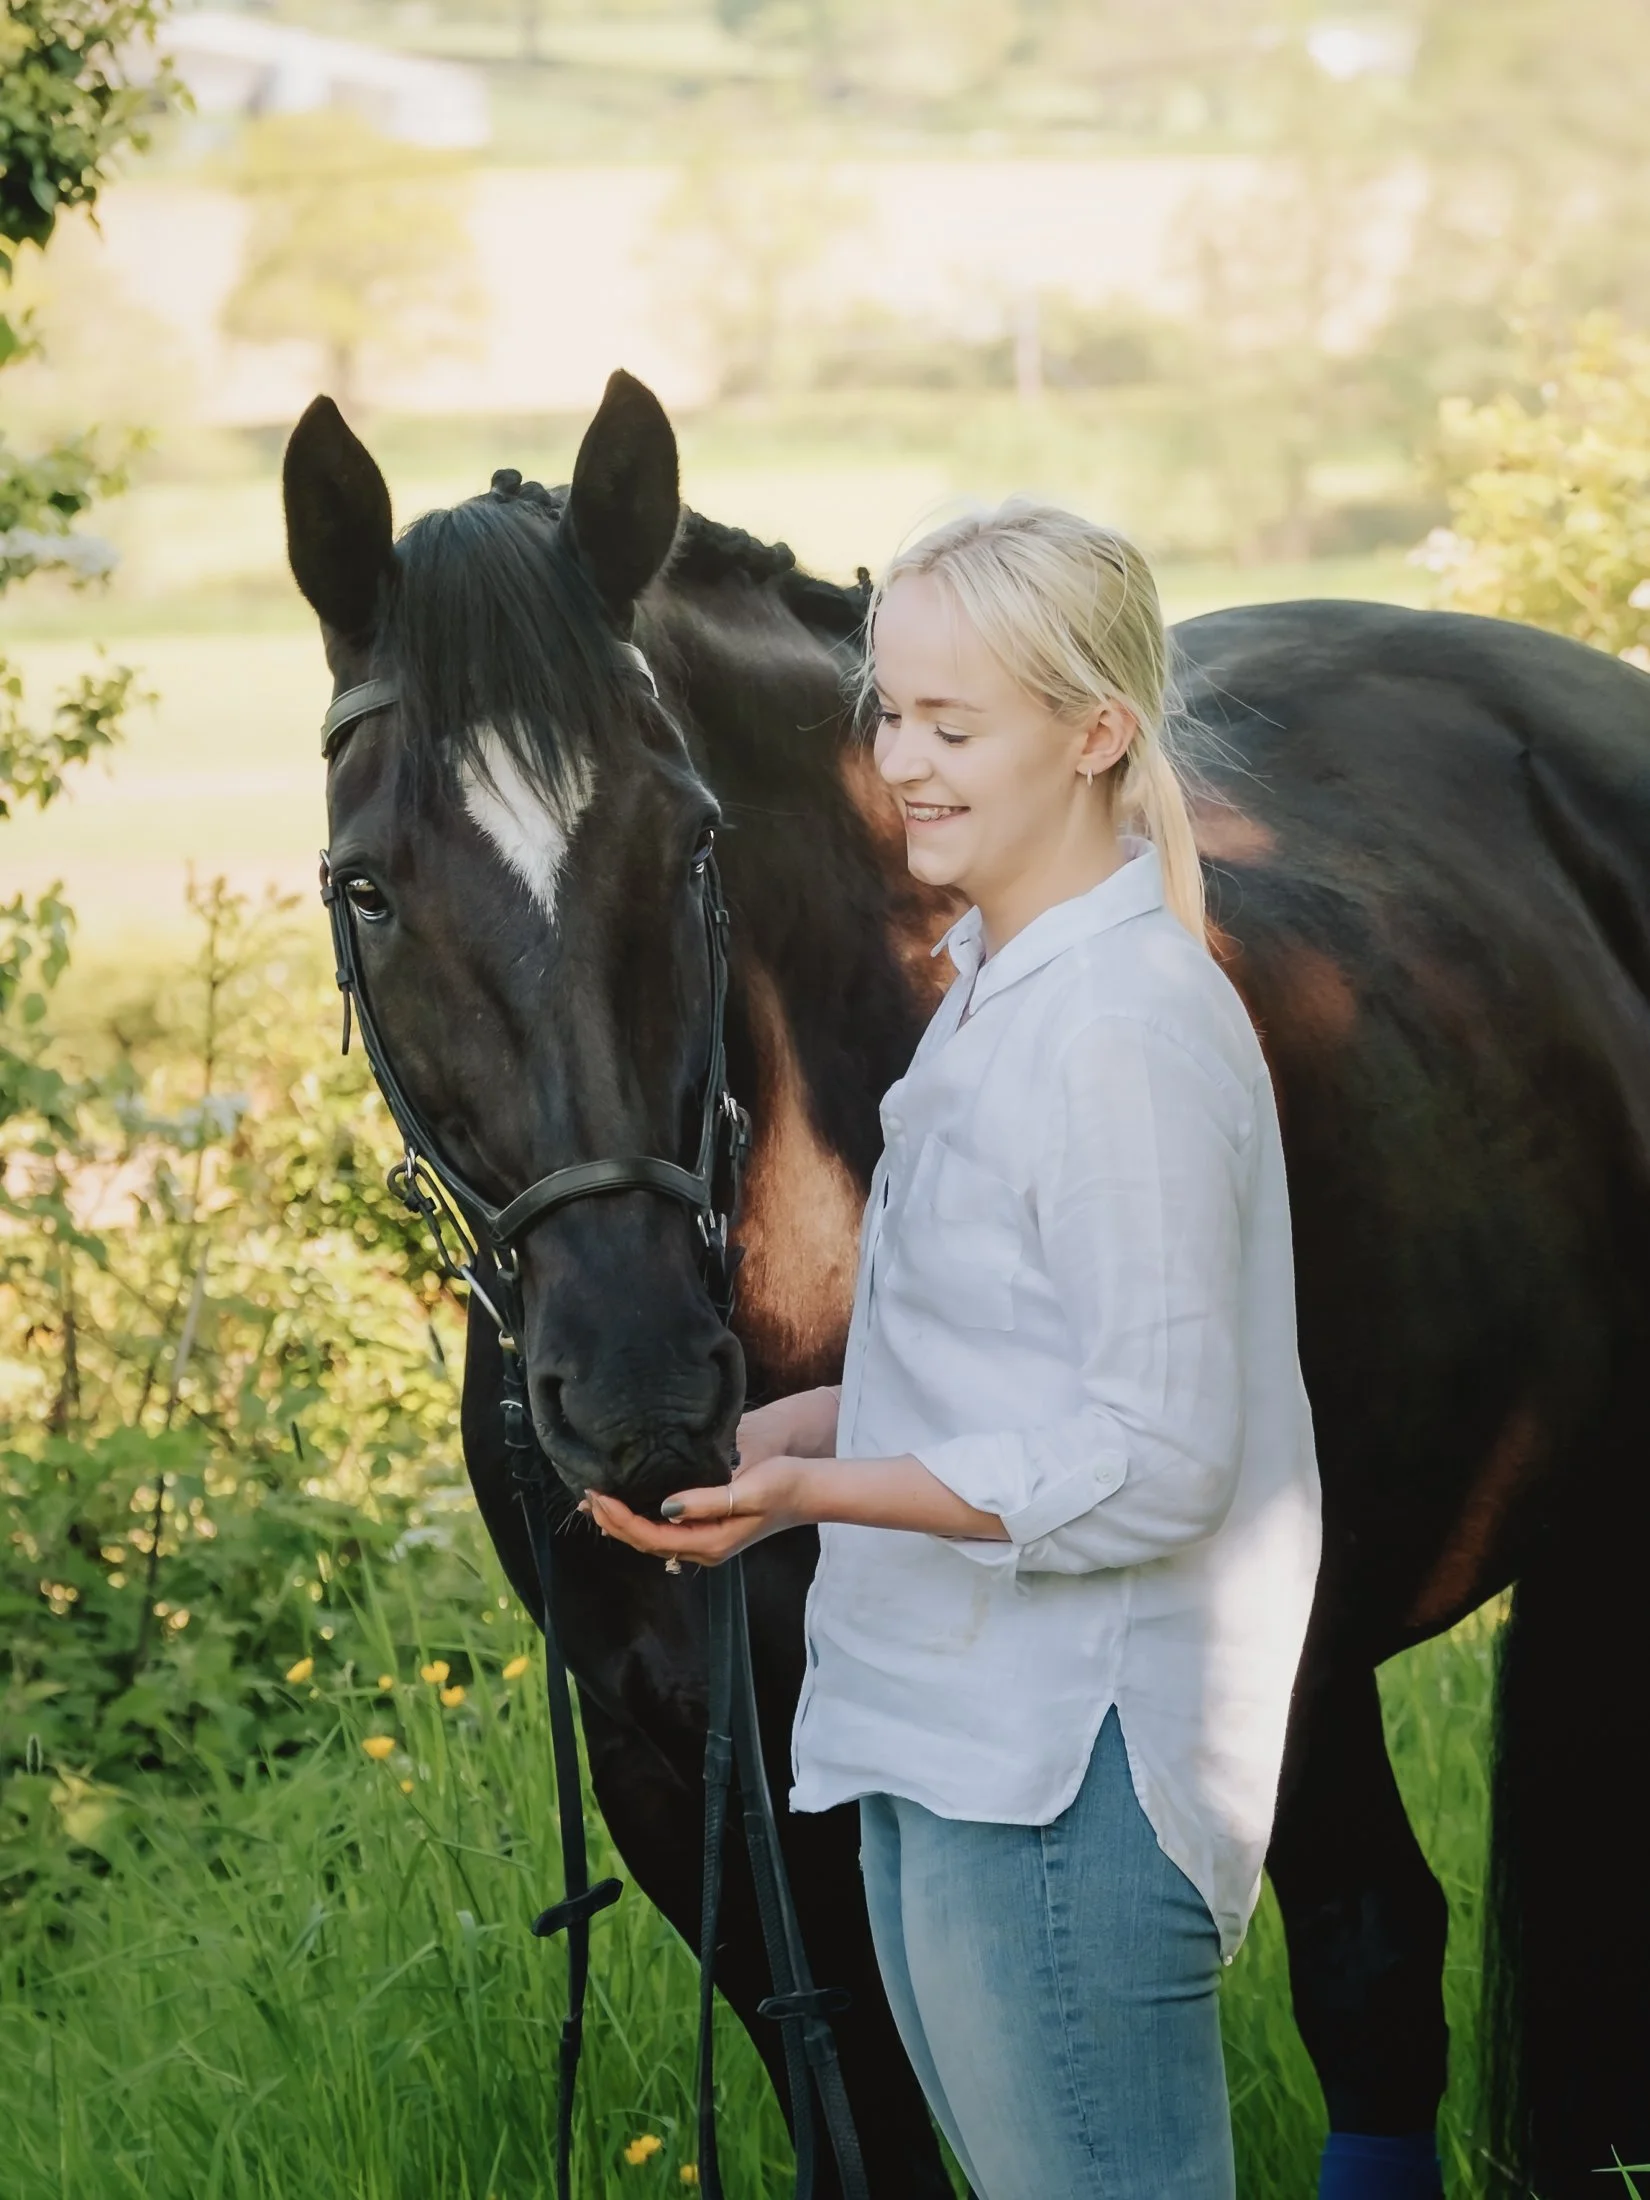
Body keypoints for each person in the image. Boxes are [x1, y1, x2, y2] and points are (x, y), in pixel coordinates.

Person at [586, 500, 1322, 2199]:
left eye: (951, 725)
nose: (900, 764)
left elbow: (1149, 1457)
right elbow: (988, 1381)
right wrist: (757, 1448)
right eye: (889, 715)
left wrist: (818, 1488)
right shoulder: (998, 986)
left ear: (1093, 733)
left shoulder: (1121, 1033)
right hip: (943, 1735)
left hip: (1057, 1774)